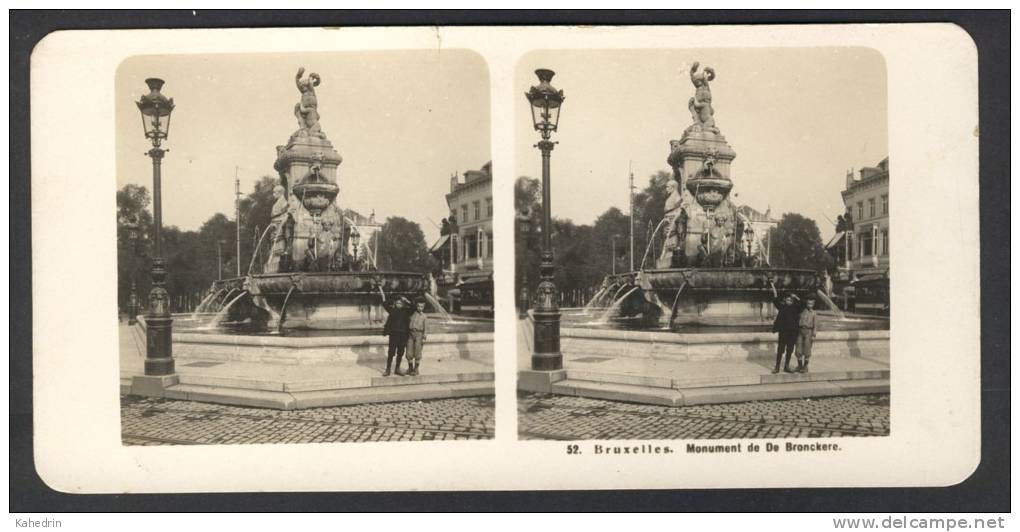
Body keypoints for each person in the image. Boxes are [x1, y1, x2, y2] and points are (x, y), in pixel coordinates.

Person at [771, 291, 802, 374]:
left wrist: (796, 296)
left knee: (790, 350)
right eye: (788, 300)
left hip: (792, 333)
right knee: (780, 350)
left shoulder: (796, 308)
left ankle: (786, 366)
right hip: (783, 332)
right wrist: (774, 290)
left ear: (793, 301)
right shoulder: (782, 307)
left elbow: (802, 304)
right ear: (785, 300)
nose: (789, 302)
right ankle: (777, 367)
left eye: (791, 300)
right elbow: (775, 300)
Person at [381, 296, 413, 376]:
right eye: (398, 303)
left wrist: (406, 300)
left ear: (403, 304)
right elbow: (385, 304)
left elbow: (414, 307)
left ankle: (397, 369)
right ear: (395, 304)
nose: (399, 304)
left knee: (400, 352)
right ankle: (388, 370)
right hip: (393, 334)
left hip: (403, 335)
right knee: (391, 352)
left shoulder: (406, 311)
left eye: (401, 303)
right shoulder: (392, 310)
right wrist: (394, 299)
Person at [406, 298, 428, 376]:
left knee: (417, 352)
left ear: (424, 307)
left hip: (419, 334)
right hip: (410, 334)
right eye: (418, 306)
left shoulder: (424, 316)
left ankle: (416, 369)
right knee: (409, 351)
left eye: (421, 307)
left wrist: (424, 338)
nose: (419, 308)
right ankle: (410, 368)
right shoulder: (412, 314)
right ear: (416, 306)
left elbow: (426, 328)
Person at [796, 298, 818, 373]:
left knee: (807, 349)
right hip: (800, 331)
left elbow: (815, 325)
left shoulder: (814, 313)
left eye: (811, 304)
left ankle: (805, 366)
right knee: (798, 349)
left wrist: (814, 335)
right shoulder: (802, 311)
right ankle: (799, 365)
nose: (809, 305)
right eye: (808, 303)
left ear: (813, 304)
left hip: (809, 331)